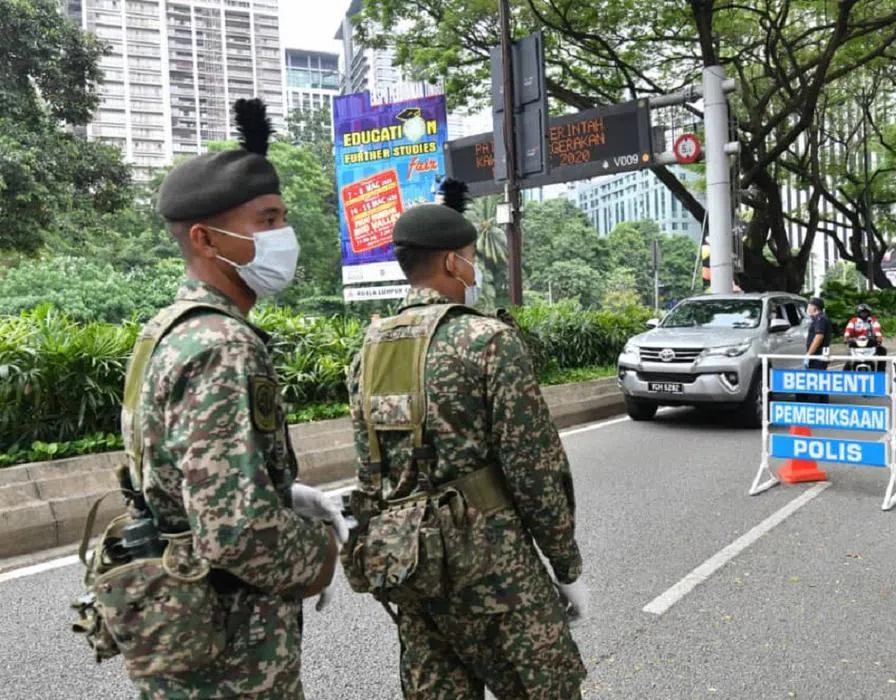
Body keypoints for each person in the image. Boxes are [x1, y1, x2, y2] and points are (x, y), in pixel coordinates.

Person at [119, 99, 343, 698]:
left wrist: (280, 490)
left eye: (281, 219)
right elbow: (237, 530)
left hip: (187, 634)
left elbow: (175, 470)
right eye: (266, 220)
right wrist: (320, 553)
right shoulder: (222, 344)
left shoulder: (167, 329)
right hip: (232, 649)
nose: (283, 236)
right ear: (204, 238)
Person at [340, 179, 588, 699]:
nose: (475, 270)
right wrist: (565, 565)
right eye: (472, 258)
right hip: (494, 571)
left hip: (413, 571)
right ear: (453, 263)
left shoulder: (368, 352)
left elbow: (372, 475)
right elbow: (535, 469)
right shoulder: (487, 341)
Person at [799, 297, 832, 404]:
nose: (807, 308)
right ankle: (823, 407)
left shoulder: (820, 319)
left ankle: (815, 407)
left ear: (815, 308)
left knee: (814, 384)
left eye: (809, 306)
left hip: (817, 357)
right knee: (820, 384)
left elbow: (819, 337)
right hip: (820, 356)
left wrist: (809, 355)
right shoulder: (819, 318)